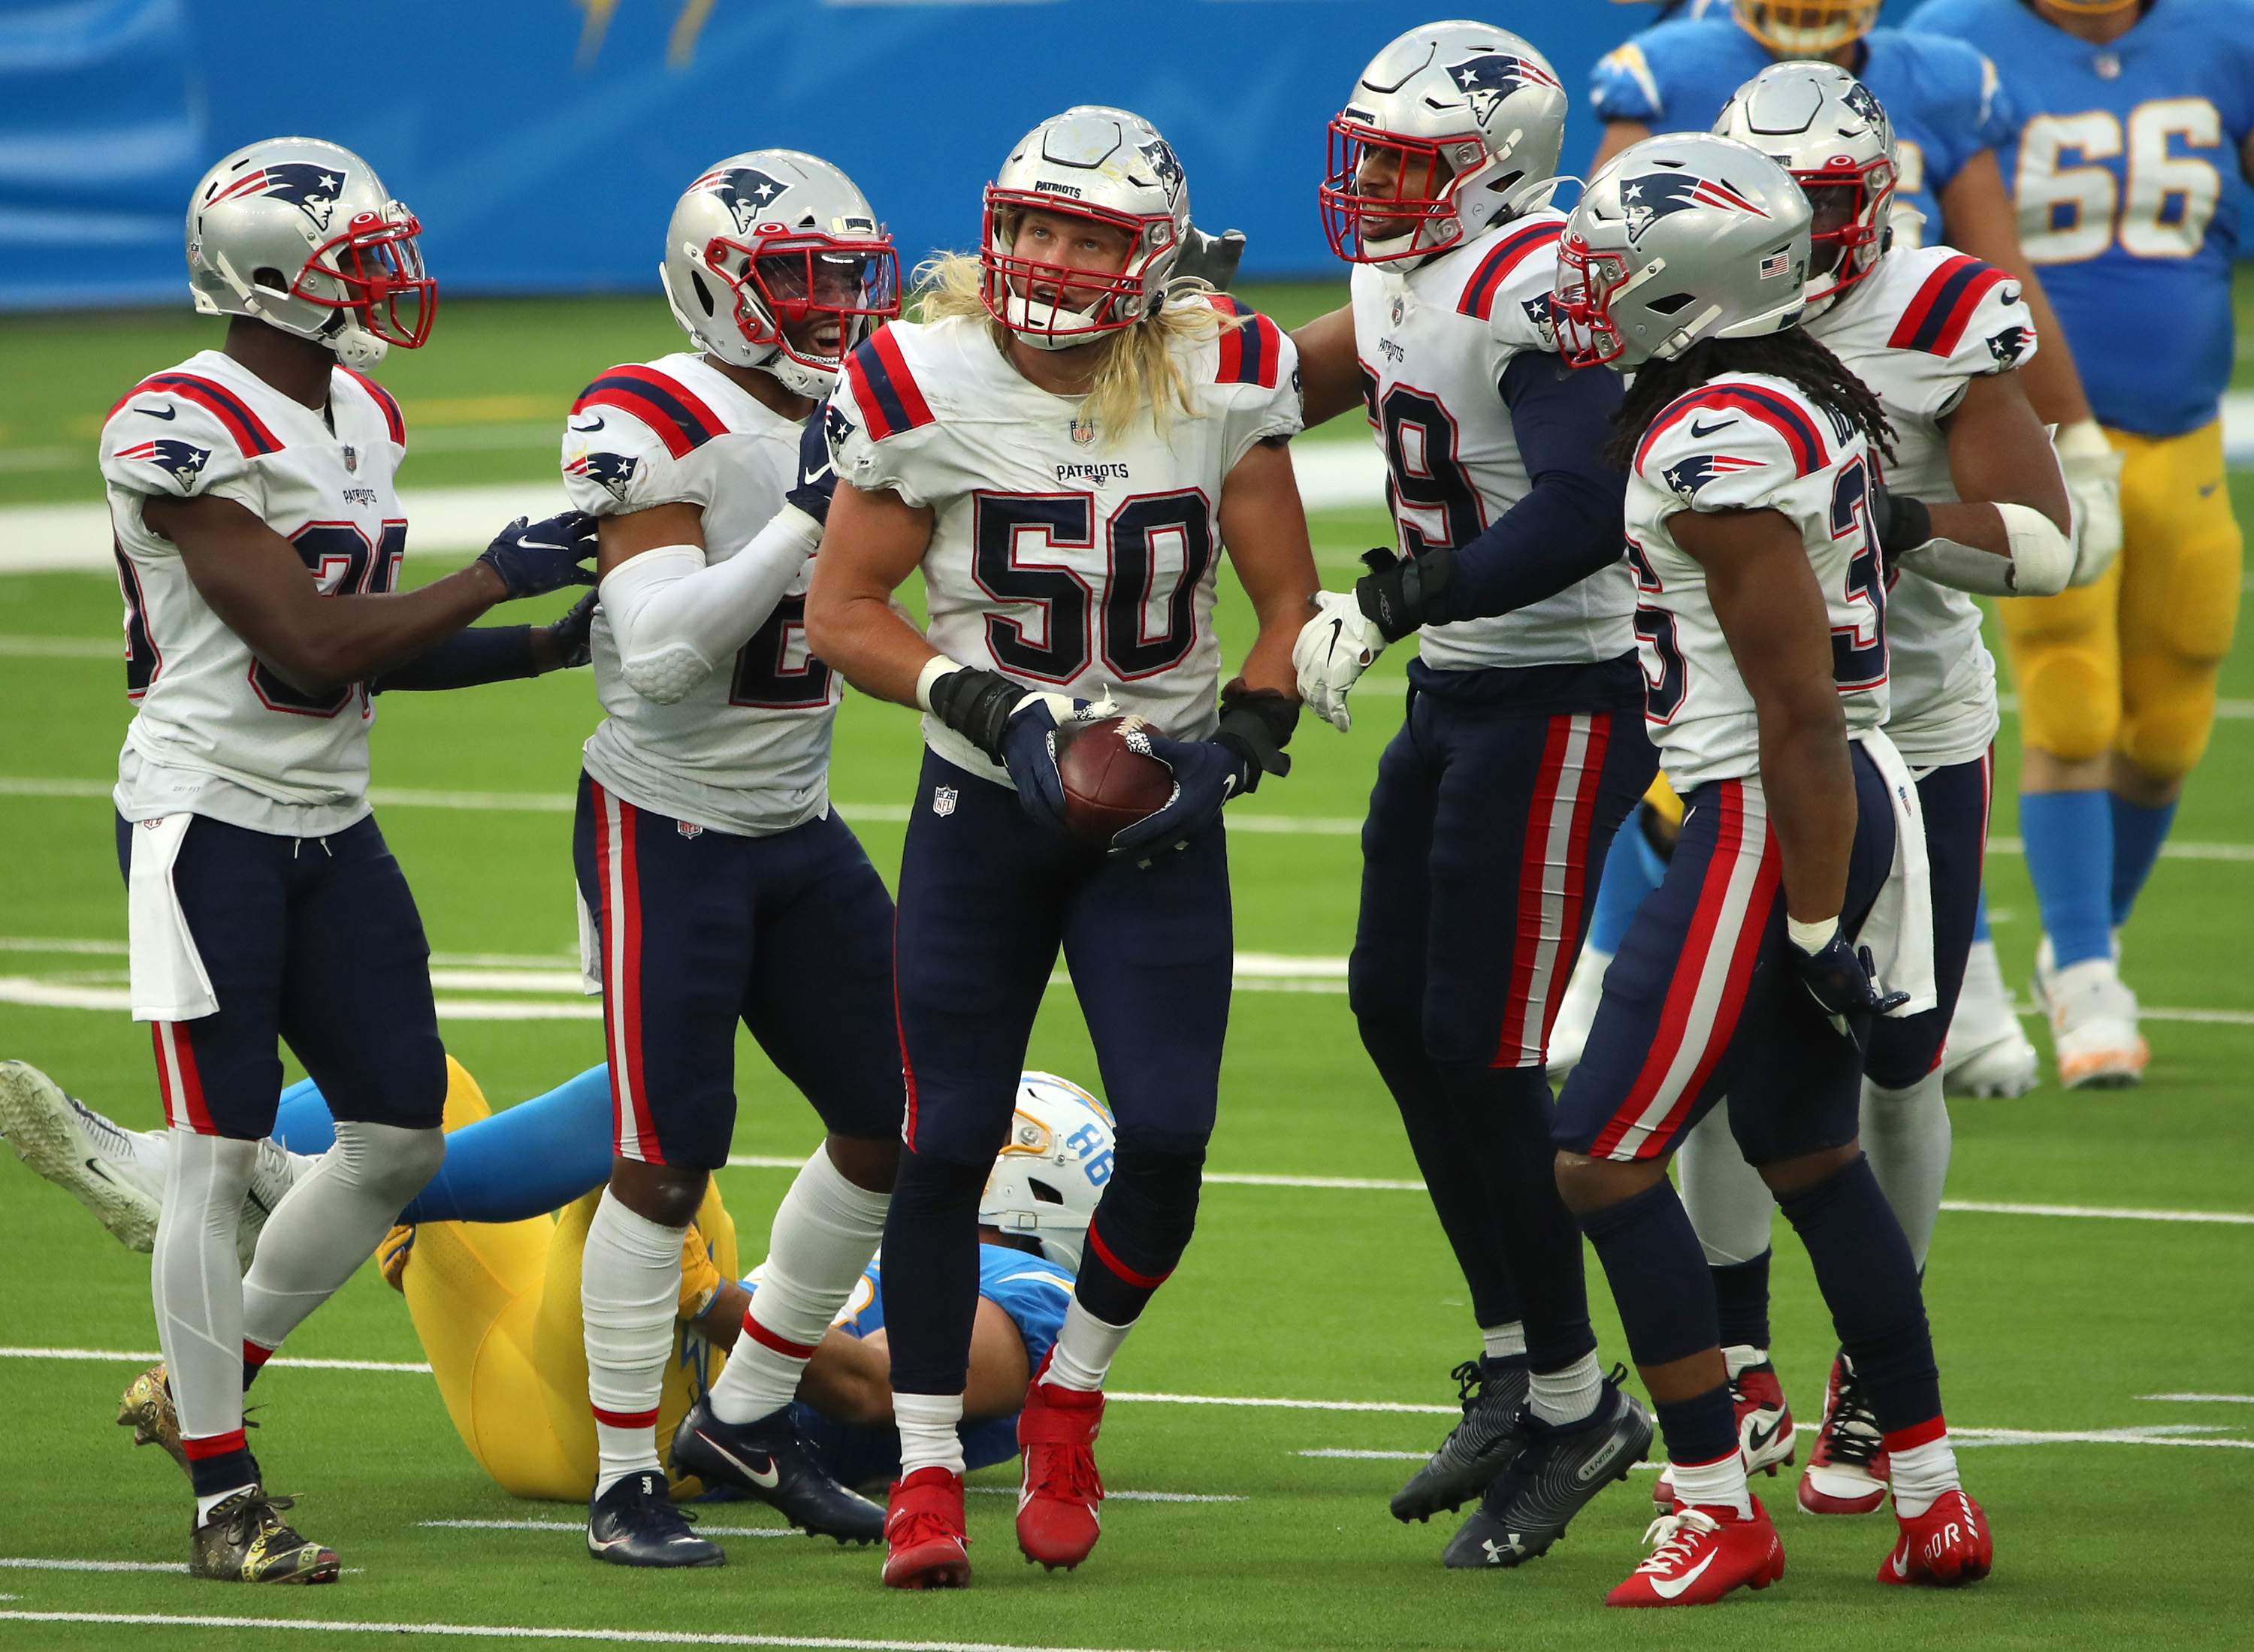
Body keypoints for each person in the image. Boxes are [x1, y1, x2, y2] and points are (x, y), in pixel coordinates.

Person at [803, 106, 1314, 1589]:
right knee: (944, 1135)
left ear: (1148, 256)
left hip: (1154, 807)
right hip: (983, 805)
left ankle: (1072, 1392)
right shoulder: (920, 375)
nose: (1045, 257)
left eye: (1086, 233)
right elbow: (846, 610)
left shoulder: (1224, 374)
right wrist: (998, 712)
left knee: (1167, 1128)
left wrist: (1239, 747)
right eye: (1028, 224)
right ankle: (920, 1477)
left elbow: (1287, 606)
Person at [96, 136, 601, 1584]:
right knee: (209, 1155)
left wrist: (538, 647)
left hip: (327, 820)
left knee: (394, 1134)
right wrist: (504, 569)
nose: (385, 278)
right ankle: (221, 1494)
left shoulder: (362, 408)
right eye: (354, 257)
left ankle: (214, 1373)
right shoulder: (179, 424)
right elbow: (309, 641)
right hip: (207, 825)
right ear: (266, 278)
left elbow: (363, 653)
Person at [1546, 132, 1990, 1606]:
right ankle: (1928, 1490)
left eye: (1615, 263)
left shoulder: (1717, 436)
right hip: (1813, 791)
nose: (1588, 284)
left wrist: (1807, 914)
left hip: (1771, 803)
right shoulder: (1782, 391)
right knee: (1807, 1148)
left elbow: (1795, 706)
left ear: (1693, 286)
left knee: (1599, 1152)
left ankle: (1711, 1497)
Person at [1635, 59, 2078, 1521]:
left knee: (1900, 1058)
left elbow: (2050, 543)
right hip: (1722, 731)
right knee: (1711, 1052)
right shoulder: (1677, 283)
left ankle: (1875, 1377)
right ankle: (1742, 1341)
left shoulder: (1939, 308)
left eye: (1824, 204)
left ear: (1876, 198)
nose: (1798, 233)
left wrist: (1893, 517)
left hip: (1906, 726)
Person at [1286, 20, 1658, 1568]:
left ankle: (1581, 1400)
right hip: (1468, 686)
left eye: (1407, 163)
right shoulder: (1405, 268)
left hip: (1566, 685)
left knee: (1486, 1041)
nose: (1370, 187)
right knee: (1391, 1002)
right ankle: (1518, 1353)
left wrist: (1392, 597)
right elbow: (1279, 380)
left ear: (1495, 169)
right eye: (1364, 154)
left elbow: (1584, 506)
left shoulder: (1540, 279)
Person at [557, 151, 909, 1568]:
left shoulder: (859, 392)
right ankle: (621, 1477)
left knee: (903, 1114)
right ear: (715, 282)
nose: (832, 306)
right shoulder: (647, 412)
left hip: (797, 826)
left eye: (846, 275)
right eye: (798, 278)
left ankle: (749, 1414)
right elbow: (657, 654)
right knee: (666, 1155)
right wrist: (808, 511)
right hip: (667, 825)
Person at [0, 1059, 1100, 1509]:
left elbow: (872, 1392)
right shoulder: (966, 1259)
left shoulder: (1025, 1299)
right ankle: (210, 1207)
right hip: (543, 1386)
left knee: (653, 1112)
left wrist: (705, 1296)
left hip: (650, 1423)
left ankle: (273, 1209)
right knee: (402, 1094)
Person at [1907, 0, 2254, 1088]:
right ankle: (2092, 975)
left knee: (2173, 716)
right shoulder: (1954, 42)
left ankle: (2075, 942)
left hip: (2186, 424)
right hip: (2034, 431)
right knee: (2072, 691)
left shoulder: (2227, 32)